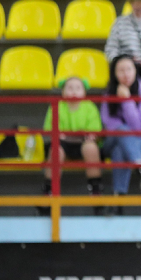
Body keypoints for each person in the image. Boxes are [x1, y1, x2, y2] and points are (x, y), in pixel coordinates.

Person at [101, 55, 141, 210]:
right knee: (122, 131)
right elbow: (111, 125)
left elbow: (138, 125)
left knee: (121, 150)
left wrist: (126, 100)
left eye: (129, 69)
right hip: (113, 139)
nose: (126, 74)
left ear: (135, 71)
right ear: (114, 74)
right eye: (121, 70)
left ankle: (118, 200)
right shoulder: (108, 94)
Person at [40, 77, 104, 214]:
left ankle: (96, 190)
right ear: (63, 92)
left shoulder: (90, 106)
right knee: (56, 151)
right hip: (62, 143)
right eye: (69, 88)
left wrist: (91, 135)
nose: (74, 91)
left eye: (78, 88)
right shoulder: (56, 106)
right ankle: (49, 192)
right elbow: (49, 129)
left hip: (83, 143)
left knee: (91, 148)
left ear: (84, 92)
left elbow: (95, 130)